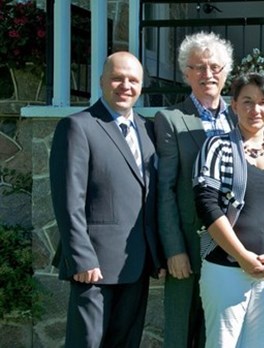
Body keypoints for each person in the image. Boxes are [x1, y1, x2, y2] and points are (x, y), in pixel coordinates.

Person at [49, 51, 164, 347]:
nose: (125, 85)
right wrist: (82, 257)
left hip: (137, 263)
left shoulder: (147, 130)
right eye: (117, 78)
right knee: (87, 343)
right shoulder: (78, 126)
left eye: (133, 80)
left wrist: (156, 253)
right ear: (101, 81)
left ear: (141, 86)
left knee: (127, 343)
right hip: (95, 266)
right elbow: (68, 201)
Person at [193, 73, 264, 347]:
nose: (256, 110)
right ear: (234, 105)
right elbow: (206, 204)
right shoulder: (217, 147)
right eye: (247, 101)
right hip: (226, 268)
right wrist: (242, 256)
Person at [154, 31, 236, 348]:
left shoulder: (241, 117)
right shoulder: (171, 119)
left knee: (221, 331)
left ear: (226, 72)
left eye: (215, 66)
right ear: (185, 72)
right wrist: (174, 249)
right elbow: (165, 190)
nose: (207, 74)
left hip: (233, 242)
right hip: (189, 243)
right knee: (181, 330)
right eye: (198, 67)